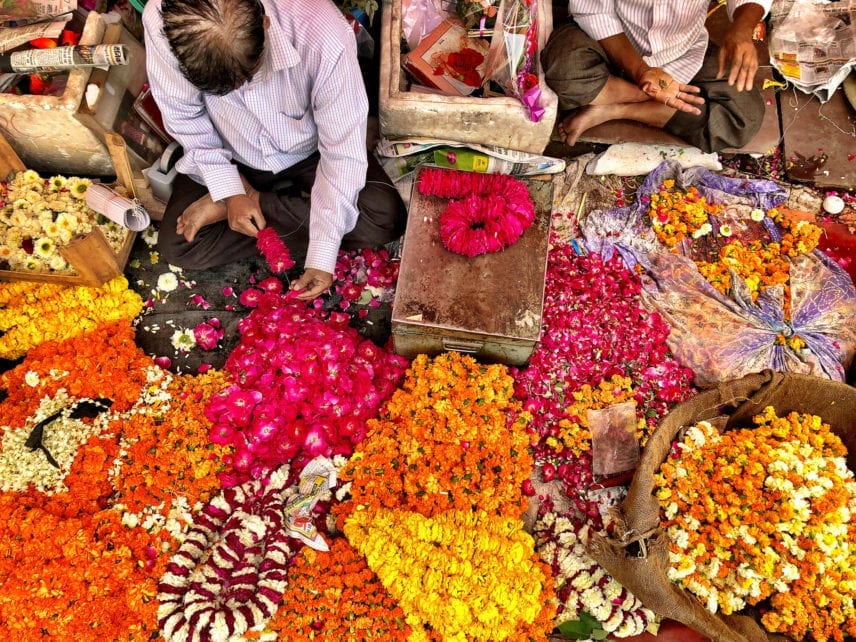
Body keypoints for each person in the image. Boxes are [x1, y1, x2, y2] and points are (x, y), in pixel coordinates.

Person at [142, 0, 406, 300]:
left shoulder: (323, 31)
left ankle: (256, 206)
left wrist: (321, 256)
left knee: (383, 217)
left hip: (309, 151)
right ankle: (250, 205)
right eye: (224, 91)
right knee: (178, 245)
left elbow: (341, 151)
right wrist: (230, 189)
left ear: (265, 26)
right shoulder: (165, 21)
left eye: (248, 76)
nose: (242, 92)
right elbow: (185, 117)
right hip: (230, 152)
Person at [541, 0, 772, 153]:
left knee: (744, 118)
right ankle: (644, 97)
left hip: (682, 50)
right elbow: (593, 10)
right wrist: (642, 72)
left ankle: (614, 109)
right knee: (564, 66)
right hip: (612, 43)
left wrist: (742, 28)